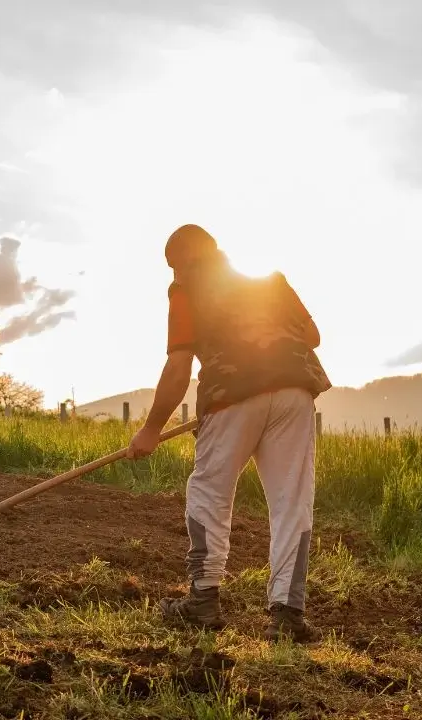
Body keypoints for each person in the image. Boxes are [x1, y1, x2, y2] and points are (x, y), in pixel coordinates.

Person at [126, 224, 332, 643]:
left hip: (232, 392)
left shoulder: (185, 291)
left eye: (173, 266)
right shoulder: (270, 281)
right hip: (295, 391)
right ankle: (287, 616)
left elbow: (178, 367)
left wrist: (150, 429)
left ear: (185, 260)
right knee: (292, 501)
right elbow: (312, 336)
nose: (173, 276)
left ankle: (203, 600)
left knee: (210, 492)